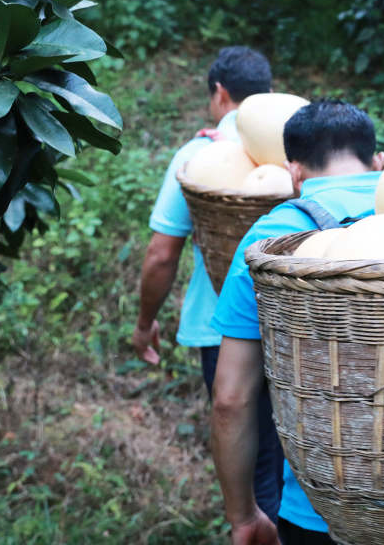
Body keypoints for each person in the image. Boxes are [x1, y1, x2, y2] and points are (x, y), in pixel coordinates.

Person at [211, 100, 384, 545]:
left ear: (294, 174)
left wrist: (244, 514)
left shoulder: (271, 241)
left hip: (322, 511)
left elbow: (231, 397)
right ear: (379, 162)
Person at [133, 45, 284, 523]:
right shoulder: (297, 155)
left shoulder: (200, 155)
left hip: (222, 329)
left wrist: (145, 322)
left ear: (219, 93)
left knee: (254, 469)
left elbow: (162, 254)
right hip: (300, 327)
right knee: (295, 466)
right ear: (269, 94)